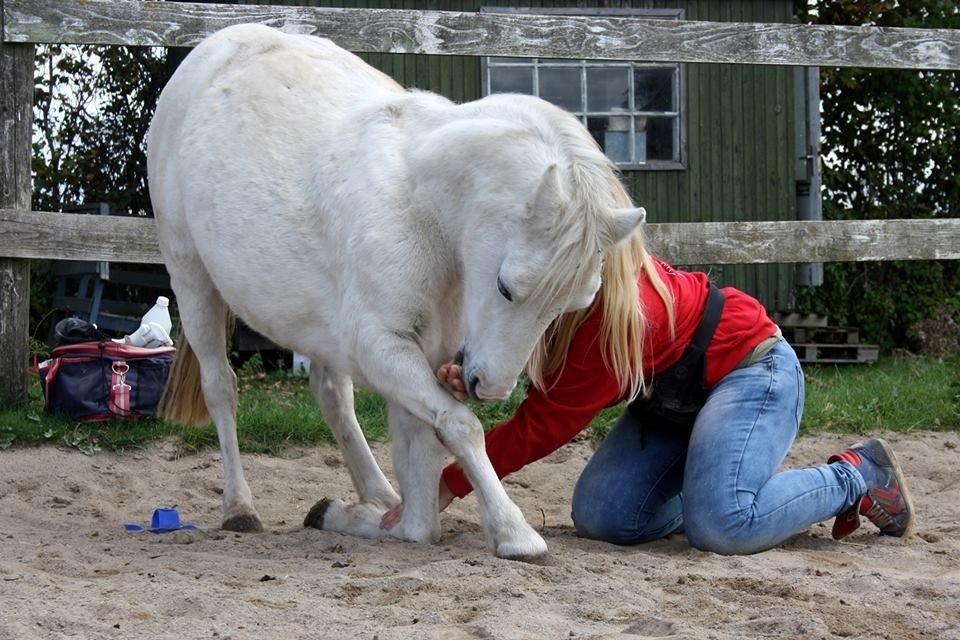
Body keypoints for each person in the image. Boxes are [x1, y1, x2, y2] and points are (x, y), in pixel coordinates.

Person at [380, 207, 914, 555]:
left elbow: (542, 424)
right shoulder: (552, 290)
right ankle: (716, 492)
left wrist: (448, 484)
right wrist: (470, 367)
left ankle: (858, 476)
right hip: (671, 403)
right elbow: (523, 351)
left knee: (723, 526)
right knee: (604, 517)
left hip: (751, 371)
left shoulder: (613, 321)